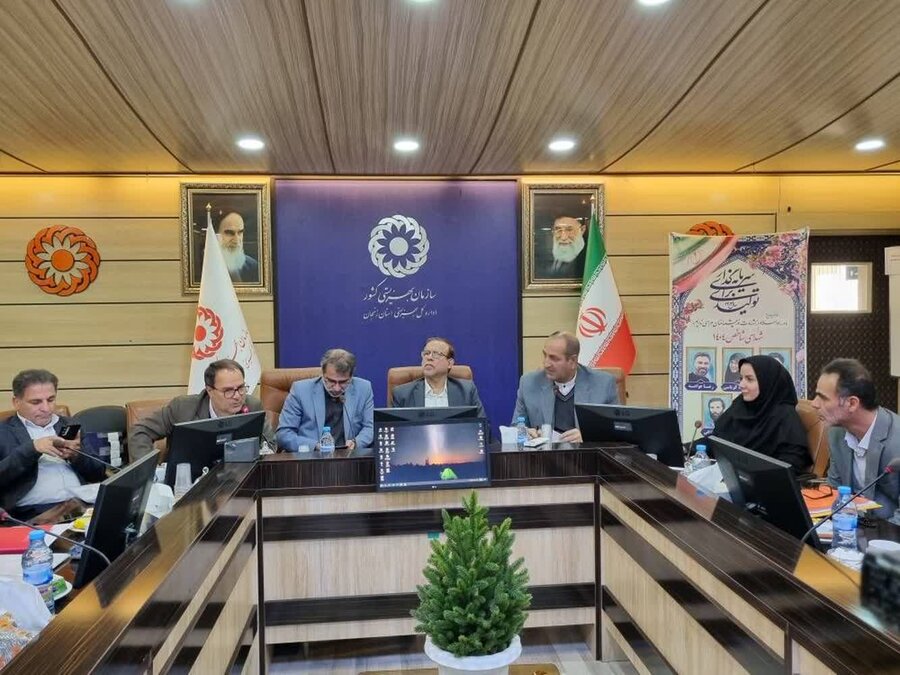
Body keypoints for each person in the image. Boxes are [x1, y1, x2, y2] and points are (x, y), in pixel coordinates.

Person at [0, 369, 106, 520]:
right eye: (36, 402)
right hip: (36, 512)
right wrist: (32, 449)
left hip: (82, 504)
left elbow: (99, 473)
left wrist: (76, 456)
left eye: (50, 400)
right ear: (16, 402)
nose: (46, 408)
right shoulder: (3, 432)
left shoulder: (69, 425)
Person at [813, 358, 900, 524]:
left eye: (823, 398)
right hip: (851, 528)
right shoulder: (836, 433)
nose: (814, 404)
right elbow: (834, 490)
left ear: (852, 403)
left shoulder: (896, 440)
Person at [129, 359, 270, 461]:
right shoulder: (183, 408)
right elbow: (140, 431)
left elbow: (269, 443)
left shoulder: (253, 406)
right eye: (228, 391)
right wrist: (148, 472)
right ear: (210, 390)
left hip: (236, 480)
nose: (237, 396)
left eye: (241, 388)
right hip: (188, 483)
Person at [512, 331, 619, 442]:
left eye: (554, 358)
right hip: (545, 452)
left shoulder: (604, 384)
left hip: (585, 451)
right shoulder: (529, 383)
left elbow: (616, 429)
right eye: (545, 355)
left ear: (572, 361)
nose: (546, 363)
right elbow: (516, 426)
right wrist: (525, 432)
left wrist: (588, 436)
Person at [712, 354, 811, 474]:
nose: (741, 384)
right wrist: (690, 448)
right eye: (741, 378)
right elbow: (717, 440)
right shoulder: (740, 405)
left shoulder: (784, 414)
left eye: (749, 379)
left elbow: (792, 462)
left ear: (767, 382)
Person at [277, 349, 374, 452]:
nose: (337, 388)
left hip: (349, 455)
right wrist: (315, 446)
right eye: (331, 381)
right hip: (312, 457)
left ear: (351, 377)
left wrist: (356, 443)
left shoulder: (364, 389)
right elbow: (284, 434)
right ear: (323, 374)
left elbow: (370, 428)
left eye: (343, 382)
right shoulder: (300, 390)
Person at [391, 337, 486, 418]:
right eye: (426, 353)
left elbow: (482, 427)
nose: (429, 358)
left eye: (436, 354)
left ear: (449, 363)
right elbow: (396, 430)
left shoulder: (467, 391)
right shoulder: (403, 394)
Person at [218, 212, 259, 283]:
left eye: (240, 232)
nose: (236, 240)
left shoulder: (254, 266)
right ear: (216, 235)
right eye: (229, 233)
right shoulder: (203, 266)